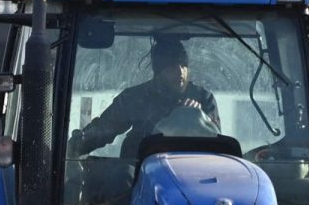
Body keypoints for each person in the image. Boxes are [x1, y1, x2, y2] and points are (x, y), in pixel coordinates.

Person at [70, 36, 221, 159]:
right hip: (141, 173)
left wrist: (197, 120)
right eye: (170, 66)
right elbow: (103, 130)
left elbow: (216, 147)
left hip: (193, 174)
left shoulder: (203, 98)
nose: (180, 71)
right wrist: (74, 147)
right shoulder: (135, 98)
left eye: (183, 64)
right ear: (158, 71)